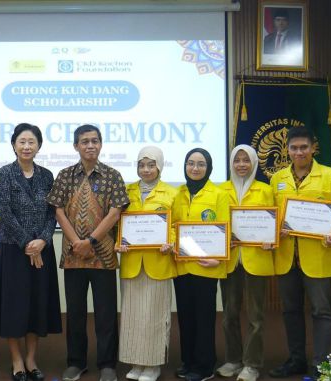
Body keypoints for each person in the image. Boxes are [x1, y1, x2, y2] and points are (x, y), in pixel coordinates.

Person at [267, 126, 331, 379]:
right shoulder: (277, 179)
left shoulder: (330, 176)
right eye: (294, 148)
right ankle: (296, 360)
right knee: (290, 311)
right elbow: (271, 214)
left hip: (319, 255)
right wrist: (274, 231)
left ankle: (320, 364)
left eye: (304, 147)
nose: (299, 152)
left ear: (313, 148)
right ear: (287, 150)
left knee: (321, 312)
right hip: (287, 257)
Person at [47, 124, 130, 381]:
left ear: (101, 144)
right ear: (76, 146)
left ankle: (107, 364)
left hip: (103, 256)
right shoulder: (65, 175)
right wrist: (77, 242)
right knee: (75, 313)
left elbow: (115, 212)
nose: (90, 145)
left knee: (106, 313)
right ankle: (76, 362)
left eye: (95, 141)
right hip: (73, 255)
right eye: (85, 141)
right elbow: (58, 210)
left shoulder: (113, 175)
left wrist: (91, 241)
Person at [0, 123, 62, 381]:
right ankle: (17, 360)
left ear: (39, 146)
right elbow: (4, 212)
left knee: (36, 305)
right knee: (14, 305)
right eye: (22, 141)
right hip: (12, 250)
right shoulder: (5, 173)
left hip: (42, 249)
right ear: (14, 145)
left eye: (32, 142)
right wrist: (27, 244)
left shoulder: (47, 175)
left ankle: (31, 359)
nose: (27, 146)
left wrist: (42, 240)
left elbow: (53, 213)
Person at [115, 146, 177, 381]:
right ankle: (136, 363)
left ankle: (153, 365)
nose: (146, 169)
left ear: (160, 166)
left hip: (159, 262)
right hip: (131, 263)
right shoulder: (126, 191)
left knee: (155, 316)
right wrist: (118, 241)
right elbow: (118, 223)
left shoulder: (171, 193)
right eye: (141, 165)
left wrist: (171, 242)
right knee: (132, 316)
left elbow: (176, 225)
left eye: (151, 165)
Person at [216, 145, 276, 381]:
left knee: (255, 317)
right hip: (230, 260)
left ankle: (252, 364)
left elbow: (275, 221)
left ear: (254, 163)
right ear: (231, 163)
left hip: (256, 259)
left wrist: (271, 238)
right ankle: (233, 360)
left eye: (246, 160)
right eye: (237, 160)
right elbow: (215, 224)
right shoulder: (221, 190)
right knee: (229, 314)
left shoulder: (266, 190)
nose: (241, 165)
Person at [171, 148, 230, 381]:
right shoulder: (178, 194)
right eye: (191, 163)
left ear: (209, 167)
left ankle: (204, 367)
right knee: (185, 317)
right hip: (182, 265)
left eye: (201, 164)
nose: (195, 168)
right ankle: (188, 361)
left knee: (204, 318)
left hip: (207, 265)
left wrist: (219, 257)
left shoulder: (218, 194)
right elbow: (172, 226)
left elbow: (226, 229)